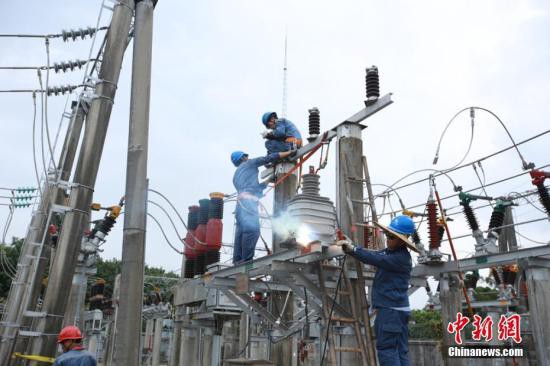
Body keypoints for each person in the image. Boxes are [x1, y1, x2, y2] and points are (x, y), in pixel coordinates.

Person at [338, 215, 418, 366]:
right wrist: (354, 248)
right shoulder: (393, 253)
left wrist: (353, 250)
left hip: (390, 311)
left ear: (402, 240)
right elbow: (375, 255)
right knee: (401, 351)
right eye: (387, 235)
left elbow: (376, 259)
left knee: (387, 349)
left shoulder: (399, 258)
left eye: (392, 237)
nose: (388, 239)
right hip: (398, 310)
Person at [231, 149, 295, 263]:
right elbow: (269, 158)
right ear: (242, 158)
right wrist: (289, 153)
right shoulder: (249, 164)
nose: (248, 157)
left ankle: (237, 260)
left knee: (241, 232)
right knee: (252, 230)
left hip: (240, 207)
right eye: (246, 156)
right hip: (248, 205)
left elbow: (253, 189)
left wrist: (268, 180)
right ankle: (246, 261)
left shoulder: (236, 177)